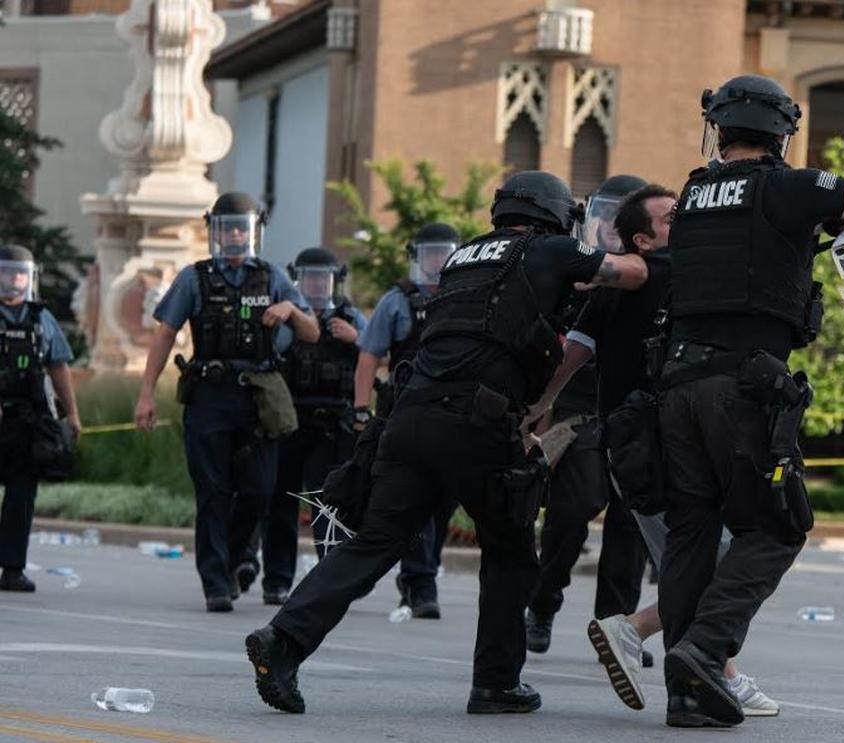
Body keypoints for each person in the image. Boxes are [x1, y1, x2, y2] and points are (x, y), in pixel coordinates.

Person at [244, 170, 648, 716]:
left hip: (410, 419)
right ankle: (495, 684)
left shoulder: (463, 257)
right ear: (554, 213)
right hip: (478, 424)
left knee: (375, 543)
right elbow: (625, 271)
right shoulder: (551, 249)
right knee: (509, 552)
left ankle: (283, 639)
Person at [655, 75, 844, 727]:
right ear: (780, 134)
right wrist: (833, 199)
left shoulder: (692, 192)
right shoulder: (786, 186)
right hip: (742, 386)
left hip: (677, 384)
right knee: (777, 524)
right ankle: (706, 651)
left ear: (720, 127)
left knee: (691, 532)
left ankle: (685, 695)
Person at [527, 185, 779, 717]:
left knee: (693, 558)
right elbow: (578, 345)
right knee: (721, 556)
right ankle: (633, 628)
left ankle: (713, 674)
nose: (684, 223)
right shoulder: (657, 273)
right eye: (671, 219)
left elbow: (574, 353)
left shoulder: (631, 289)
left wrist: (542, 403)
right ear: (643, 239)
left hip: (640, 443)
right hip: (656, 444)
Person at [134, 192, 319, 612]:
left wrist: (290, 308)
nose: (234, 235)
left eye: (241, 227)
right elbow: (164, 334)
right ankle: (216, 583)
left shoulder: (271, 276)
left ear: (255, 231)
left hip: (258, 399)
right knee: (213, 492)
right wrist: (146, 394)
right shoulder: (193, 278)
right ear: (213, 232)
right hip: (209, 396)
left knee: (259, 490)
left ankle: (237, 558)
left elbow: (312, 334)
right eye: (226, 227)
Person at [523, 174, 651, 658]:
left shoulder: (655, 274)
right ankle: (542, 601)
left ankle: (617, 630)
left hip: (636, 407)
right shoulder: (573, 272)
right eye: (605, 217)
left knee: (630, 523)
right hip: (577, 406)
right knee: (574, 505)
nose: (611, 229)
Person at [234, 247, 367, 605]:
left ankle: (332, 581)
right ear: (298, 280)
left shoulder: (351, 317)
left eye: (323, 278)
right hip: (289, 423)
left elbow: (376, 355)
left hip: (330, 426)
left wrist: (355, 340)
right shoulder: (289, 321)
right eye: (310, 277)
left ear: (335, 280)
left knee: (329, 506)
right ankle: (276, 581)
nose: (317, 284)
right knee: (281, 504)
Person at [353, 222, 459, 619]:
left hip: (453, 414)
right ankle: (421, 584)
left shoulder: (463, 296)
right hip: (405, 414)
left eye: (443, 252)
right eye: (430, 253)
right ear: (417, 257)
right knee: (417, 497)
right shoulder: (396, 302)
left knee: (444, 504)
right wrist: (361, 408)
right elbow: (368, 354)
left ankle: (418, 577)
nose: (437, 260)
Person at [0, 244, 81, 592]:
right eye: (7, 272)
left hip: (27, 422)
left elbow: (59, 367)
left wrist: (72, 414)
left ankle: (12, 568)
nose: (14, 280)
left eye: (21, 273)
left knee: (21, 497)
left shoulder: (40, 319)